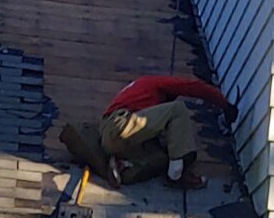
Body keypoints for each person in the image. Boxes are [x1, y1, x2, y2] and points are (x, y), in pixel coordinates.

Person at [92, 72, 230, 188]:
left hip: (115, 134)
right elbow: (192, 87)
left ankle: (122, 164)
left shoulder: (136, 93)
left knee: (160, 157)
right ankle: (176, 176)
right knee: (177, 109)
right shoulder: (153, 83)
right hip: (119, 124)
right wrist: (225, 105)